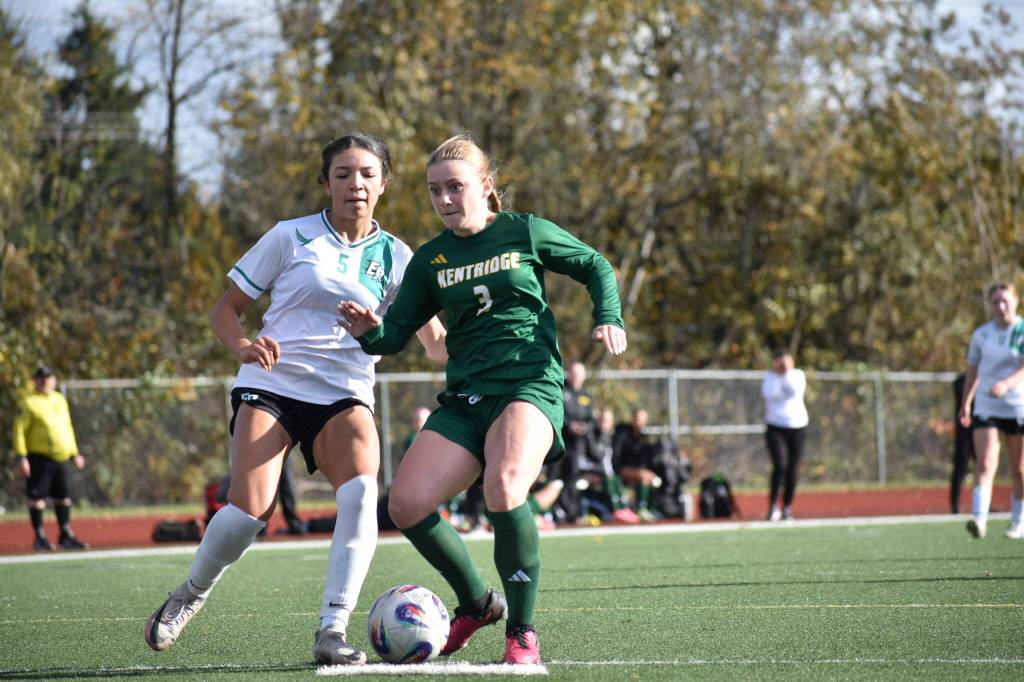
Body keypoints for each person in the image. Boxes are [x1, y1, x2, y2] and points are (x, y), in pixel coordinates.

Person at [143, 133, 447, 665]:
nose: (356, 184)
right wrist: (242, 343)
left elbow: (437, 346)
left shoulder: (399, 256)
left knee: (359, 495)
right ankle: (190, 593)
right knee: (247, 513)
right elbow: (226, 307)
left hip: (345, 393)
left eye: (368, 174)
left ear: (384, 183)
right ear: (325, 182)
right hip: (273, 383)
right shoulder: (291, 236)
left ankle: (332, 631)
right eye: (344, 174)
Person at [337, 134, 626, 665]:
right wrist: (367, 331)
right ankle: (476, 603)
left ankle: (522, 630)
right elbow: (395, 337)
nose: (445, 199)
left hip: (528, 386)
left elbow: (595, 265)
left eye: (456, 187)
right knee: (404, 503)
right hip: (468, 398)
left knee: (504, 485)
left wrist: (608, 315)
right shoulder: (429, 261)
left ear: (487, 187)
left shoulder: (525, 230)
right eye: (434, 191)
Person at [959, 283, 1024, 540]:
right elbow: (972, 370)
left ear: (1016, 301)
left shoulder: (1021, 330)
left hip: (1018, 407)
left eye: (1004, 301)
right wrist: (966, 401)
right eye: (995, 301)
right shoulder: (981, 335)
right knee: (985, 464)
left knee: (1019, 470)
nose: (1000, 306)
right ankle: (979, 518)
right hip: (987, 408)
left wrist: (1007, 383)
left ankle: (1018, 521)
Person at [12, 366, 88, 551]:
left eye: (49, 378)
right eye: (42, 378)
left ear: (54, 380)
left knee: (63, 497)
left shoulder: (59, 399)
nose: (46, 381)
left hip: (61, 457)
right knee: (37, 498)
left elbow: (67, 427)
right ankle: (40, 536)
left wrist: (74, 453)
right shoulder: (28, 402)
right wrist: (21, 457)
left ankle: (65, 534)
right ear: (36, 381)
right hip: (39, 457)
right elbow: (19, 431)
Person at [761, 350, 809, 521]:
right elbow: (769, 395)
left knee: (792, 469)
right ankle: (773, 505)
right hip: (775, 426)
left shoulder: (797, 375)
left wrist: (787, 372)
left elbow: (795, 391)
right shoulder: (770, 377)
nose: (782, 365)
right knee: (780, 465)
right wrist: (778, 374)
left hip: (797, 426)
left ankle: (787, 507)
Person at [544, 360, 594, 522]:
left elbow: (591, 419)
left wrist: (584, 427)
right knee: (554, 478)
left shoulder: (587, 396)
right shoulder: (561, 390)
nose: (576, 377)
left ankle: (571, 513)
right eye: (573, 373)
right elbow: (553, 412)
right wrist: (569, 425)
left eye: (579, 373)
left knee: (572, 479)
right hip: (558, 443)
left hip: (576, 446)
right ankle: (550, 512)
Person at [580, 407, 640, 524]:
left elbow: (609, 462)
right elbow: (583, 460)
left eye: (607, 421)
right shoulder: (590, 436)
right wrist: (593, 471)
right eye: (602, 420)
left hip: (604, 473)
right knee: (609, 479)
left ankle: (624, 509)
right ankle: (616, 510)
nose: (604, 423)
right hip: (590, 472)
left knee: (615, 479)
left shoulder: (610, 438)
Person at [612, 408, 662, 521]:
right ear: (633, 419)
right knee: (644, 476)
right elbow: (618, 456)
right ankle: (641, 509)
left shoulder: (645, 436)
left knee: (649, 478)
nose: (640, 422)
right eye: (638, 419)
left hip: (636, 470)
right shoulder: (623, 433)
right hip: (621, 468)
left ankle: (646, 509)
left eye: (643, 419)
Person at [950, 373, 975, 514]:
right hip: (964, 433)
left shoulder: (985, 380)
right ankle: (955, 505)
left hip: (980, 431)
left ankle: (982, 503)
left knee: (985, 467)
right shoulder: (960, 382)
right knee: (960, 467)